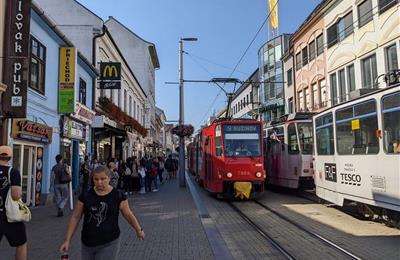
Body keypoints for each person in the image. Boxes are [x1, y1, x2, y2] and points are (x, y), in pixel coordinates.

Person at [59, 165, 145, 259]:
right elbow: (75, 216)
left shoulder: (118, 195)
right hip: (87, 242)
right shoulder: (86, 195)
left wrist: (138, 229)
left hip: (109, 241)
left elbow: (128, 214)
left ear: (109, 178)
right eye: (96, 179)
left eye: (103, 179)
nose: (99, 182)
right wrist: (67, 240)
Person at [0, 146, 27, 260]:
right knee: (21, 243)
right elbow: (16, 196)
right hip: (8, 216)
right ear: (10, 158)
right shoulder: (13, 172)